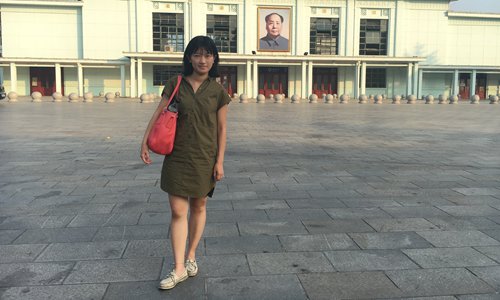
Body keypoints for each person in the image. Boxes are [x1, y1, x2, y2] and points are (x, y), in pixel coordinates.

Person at [140, 36, 231, 290]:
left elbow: (222, 129)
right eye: (197, 54)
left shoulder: (218, 91)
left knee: (199, 207)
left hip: (205, 158)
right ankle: (178, 267)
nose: (203, 60)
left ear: (214, 59)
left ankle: (191, 256)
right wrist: (144, 141)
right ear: (189, 57)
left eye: (208, 55)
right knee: (178, 211)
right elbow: (158, 113)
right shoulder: (175, 83)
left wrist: (220, 162)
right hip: (177, 156)